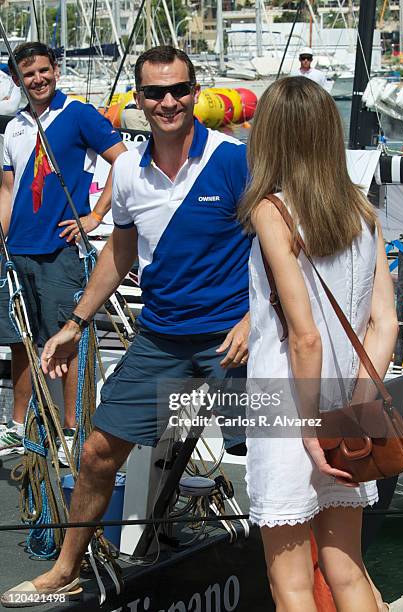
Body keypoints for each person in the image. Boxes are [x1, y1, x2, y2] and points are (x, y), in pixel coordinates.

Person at [1, 45, 251, 605]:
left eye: (179, 91)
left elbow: (281, 246)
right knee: (95, 453)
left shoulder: (233, 161)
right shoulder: (129, 172)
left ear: (196, 93)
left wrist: (256, 318)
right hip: (160, 337)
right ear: (138, 100)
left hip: (229, 341)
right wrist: (74, 322)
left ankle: (296, 560)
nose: (168, 102)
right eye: (155, 93)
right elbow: (120, 250)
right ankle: (67, 566)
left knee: (269, 448)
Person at [239, 77, 398, 611]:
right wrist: (353, 411)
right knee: (348, 570)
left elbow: (304, 337)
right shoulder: (360, 208)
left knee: (291, 587)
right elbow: (385, 326)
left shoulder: (271, 210)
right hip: (350, 411)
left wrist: (310, 429)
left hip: (288, 408)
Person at [0, 42, 126, 462]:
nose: (36, 79)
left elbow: (122, 165)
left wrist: (94, 216)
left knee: (68, 342)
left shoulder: (78, 115)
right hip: (16, 251)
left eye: (42, 71)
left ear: (55, 70)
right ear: (18, 80)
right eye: (27, 74)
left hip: (59, 250)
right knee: (20, 341)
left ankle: (73, 432)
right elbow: (7, 190)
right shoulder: (13, 127)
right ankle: (19, 426)